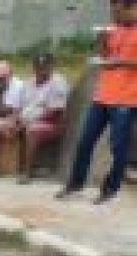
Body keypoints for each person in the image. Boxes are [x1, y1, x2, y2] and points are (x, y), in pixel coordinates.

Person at [57, 0, 137, 204]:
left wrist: (120, 63)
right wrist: (101, 39)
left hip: (126, 100)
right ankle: (75, 184)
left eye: (116, 10)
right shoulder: (114, 29)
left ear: (131, 7)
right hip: (102, 96)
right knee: (85, 141)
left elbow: (122, 61)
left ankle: (110, 189)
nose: (113, 15)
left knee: (118, 147)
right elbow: (104, 56)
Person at [14, 53, 70, 183]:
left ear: (51, 66)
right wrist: (16, 120)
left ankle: (27, 172)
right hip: (28, 119)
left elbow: (56, 111)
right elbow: (19, 105)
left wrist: (29, 122)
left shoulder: (58, 82)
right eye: (37, 66)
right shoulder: (29, 82)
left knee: (32, 129)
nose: (40, 69)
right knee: (8, 126)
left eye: (44, 66)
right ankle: (16, 167)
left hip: (52, 123)